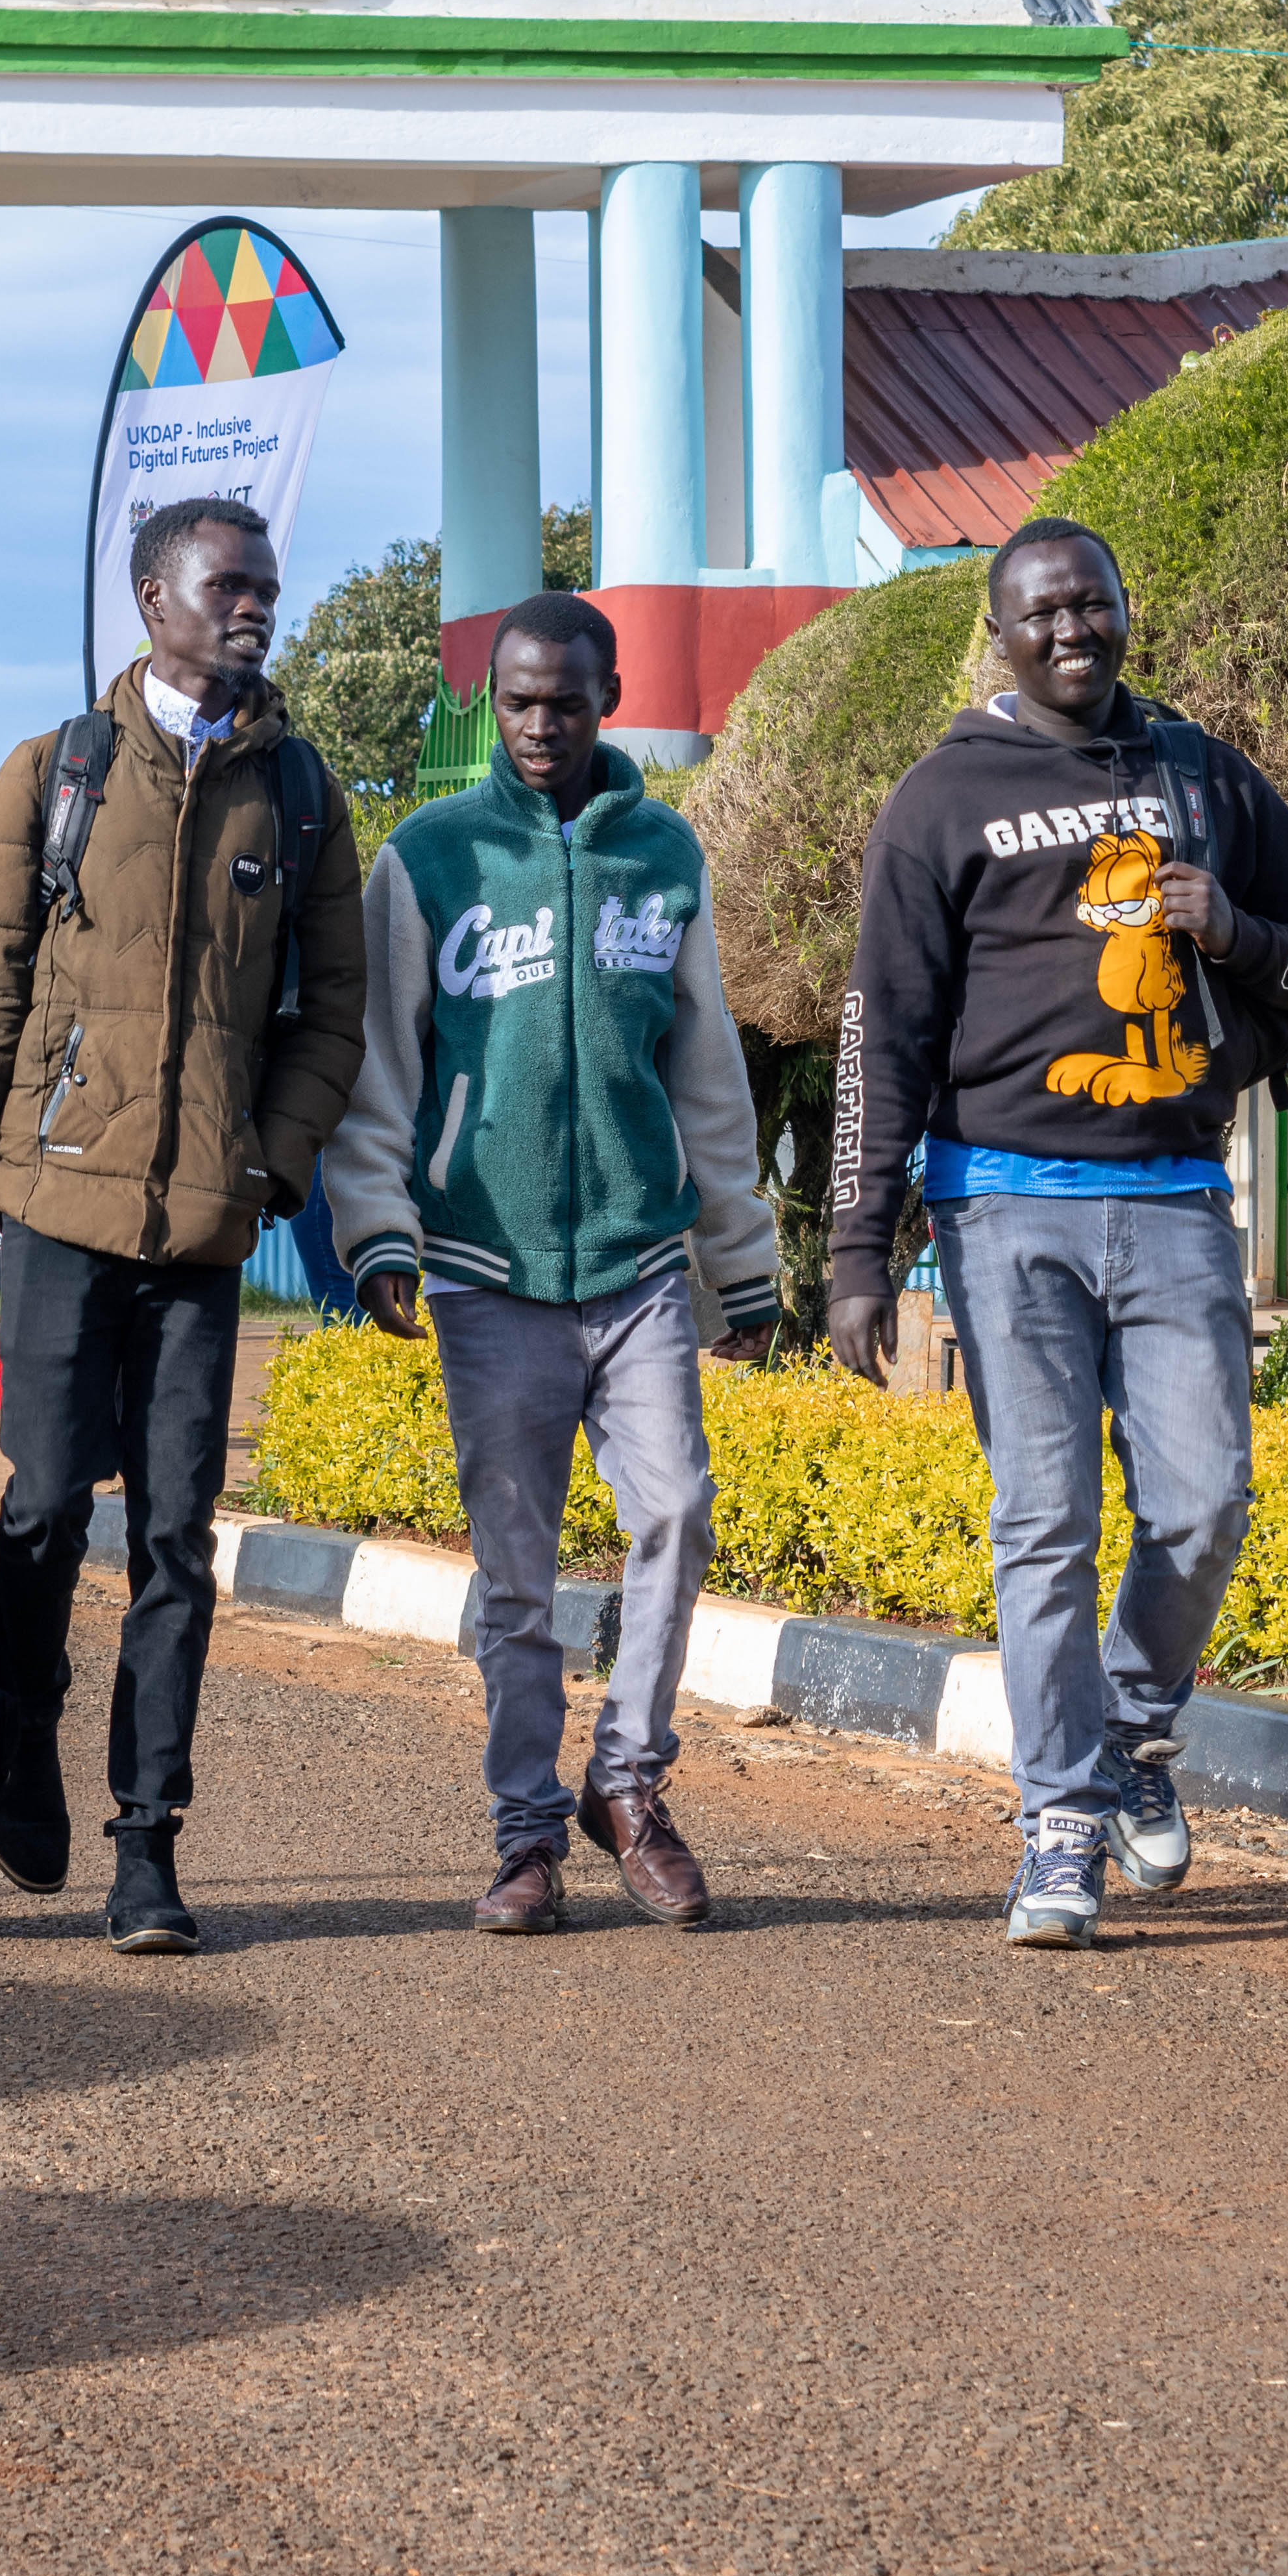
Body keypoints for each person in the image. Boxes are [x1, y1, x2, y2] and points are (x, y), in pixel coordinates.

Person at [0, 495, 365, 1955]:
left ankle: (149, 1840)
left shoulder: (300, 795)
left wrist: (270, 1170)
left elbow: (333, 1017)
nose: (254, 606)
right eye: (228, 584)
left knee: (179, 1537)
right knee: (47, 1505)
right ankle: (18, 1734)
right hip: (59, 1203)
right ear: (153, 600)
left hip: (203, 1232)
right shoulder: (54, 773)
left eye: (265, 586)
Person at [825, 518, 1288, 1949]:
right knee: (1045, 1525)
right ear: (1001, 635)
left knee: (1206, 1505)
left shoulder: (1201, 774)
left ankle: (1130, 1724)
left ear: (1127, 610)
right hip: (1002, 1207)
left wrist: (1235, 930)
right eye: (1043, 613)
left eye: (1094, 605)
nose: (1073, 631)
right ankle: (1059, 1827)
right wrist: (858, 1246)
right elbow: (882, 1028)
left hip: (1176, 1199)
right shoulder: (942, 797)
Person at [322, 594, 778, 1938]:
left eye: (566, 703)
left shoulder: (664, 855)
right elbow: (381, 1063)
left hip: (639, 1262)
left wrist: (740, 1256)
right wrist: (378, 1225)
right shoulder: (429, 858)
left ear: (607, 699)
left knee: (678, 1513)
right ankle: (525, 1837)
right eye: (518, 702)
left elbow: (707, 1072)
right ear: (492, 700)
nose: (539, 725)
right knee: (517, 1583)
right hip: (488, 1265)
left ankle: (627, 1783)